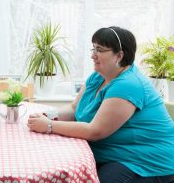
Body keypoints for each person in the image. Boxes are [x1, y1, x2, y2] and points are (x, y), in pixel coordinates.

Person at [27, 26, 174, 183]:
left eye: (100, 50)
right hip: (114, 154)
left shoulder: (128, 85)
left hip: (145, 162)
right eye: (93, 48)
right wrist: (47, 116)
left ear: (119, 55)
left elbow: (95, 131)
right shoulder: (98, 76)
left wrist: (49, 126)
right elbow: (73, 109)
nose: (93, 55)